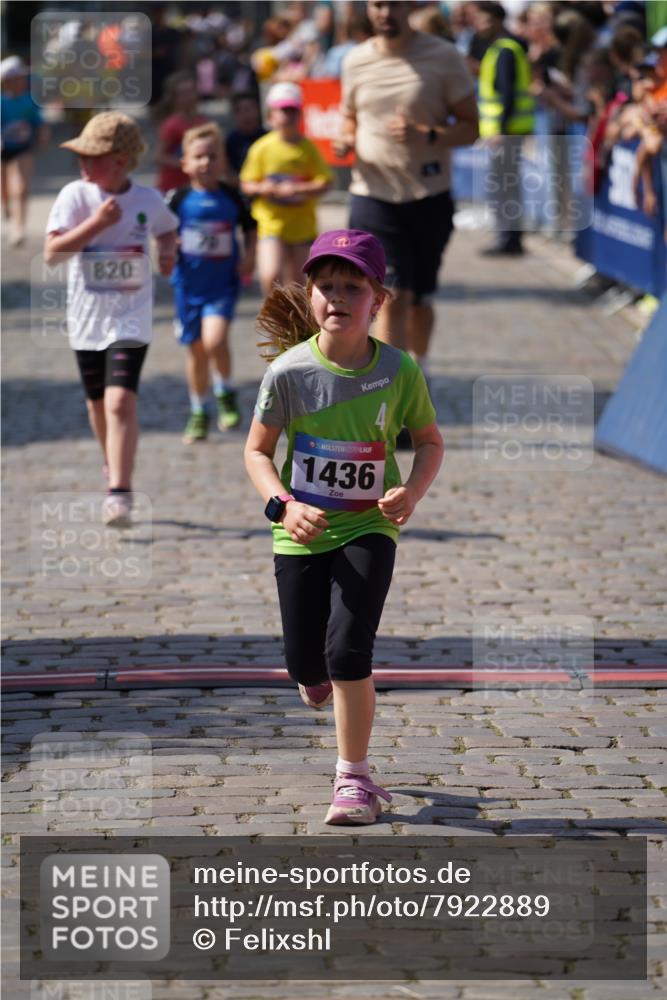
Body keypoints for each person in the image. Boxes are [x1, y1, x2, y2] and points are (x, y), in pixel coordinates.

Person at [244, 229, 444, 825]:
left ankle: (353, 779)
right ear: (310, 296)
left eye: (352, 287)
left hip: (367, 529)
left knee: (347, 650)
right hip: (300, 530)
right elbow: (257, 452)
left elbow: (430, 442)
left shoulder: (400, 370)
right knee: (306, 661)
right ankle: (312, 679)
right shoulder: (288, 372)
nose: (337, 297)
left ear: (377, 300)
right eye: (325, 286)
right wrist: (283, 504)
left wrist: (411, 489)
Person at [44, 112, 179, 527]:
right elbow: (53, 254)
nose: (83, 164)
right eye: (81, 156)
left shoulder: (147, 200)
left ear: (121, 161)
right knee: (99, 405)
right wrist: (97, 224)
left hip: (130, 320)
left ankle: (119, 490)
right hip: (87, 319)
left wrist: (167, 252)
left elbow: (166, 228)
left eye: (93, 156)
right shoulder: (74, 196)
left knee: (121, 402)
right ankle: (112, 459)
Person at [334, 0, 478, 385]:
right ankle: (392, 392)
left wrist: (426, 134)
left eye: (394, 4)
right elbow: (349, 116)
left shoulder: (443, 56)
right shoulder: (355, 60)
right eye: (378, 5)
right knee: (392, 296)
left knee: (420, 300)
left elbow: (471, 128)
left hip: (427, 195)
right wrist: (345, 138)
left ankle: (421, 370)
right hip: (373, 194)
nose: (386, 13)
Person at [166, 123, 257, 443]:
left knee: (215, 341)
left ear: (222, 161)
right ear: (186, 163)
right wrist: (166, 250)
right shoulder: (177, 198)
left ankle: (226, 390)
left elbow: (250, 226)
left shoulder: (231, 196)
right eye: (198, 156)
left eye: (212, 156)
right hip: (188, 286)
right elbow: (163, 233)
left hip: (221, 285)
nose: (205, 162)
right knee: (196, 352)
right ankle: (199, 411)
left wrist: (250, 255)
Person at [240, 81, 332, 294]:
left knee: (298, 285)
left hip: (302, 226)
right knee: (270, 274)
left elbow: (324, 182)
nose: (288, 116)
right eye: (283, 110)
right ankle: (275, 319)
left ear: (300, 114)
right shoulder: (262, 147)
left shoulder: (308, 148)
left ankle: (295, 326)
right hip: (271, 223)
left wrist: (297, 189)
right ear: (271, 115)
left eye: (292, 110)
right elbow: (246, 184)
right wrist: (267, 188)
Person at [476, 0, 536, 255]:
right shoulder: (502, 48)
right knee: (506, 186)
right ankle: (509, 239)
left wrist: (500, 129)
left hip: (507, 132)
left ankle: (509, 241)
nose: (479, 25)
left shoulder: (505, 50)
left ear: (498, 20)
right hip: (509, 130)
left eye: (484, 19)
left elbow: (507, 93)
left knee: (505, 187)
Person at [1, 55, 49, 246]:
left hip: (23, 148)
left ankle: (18, 227)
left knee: (21, 187)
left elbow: (39, 122)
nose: (23, 81)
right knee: (4, 189)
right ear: (7, 81)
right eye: (19, 78)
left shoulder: (28, 101)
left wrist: (43, 134)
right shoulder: (1, 103)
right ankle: (6, 205)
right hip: (3, 149)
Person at [154, 72, 209, 193]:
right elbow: (159, 157)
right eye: (184, 93)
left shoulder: (203, 122)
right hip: (172, 187)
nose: (190, 97)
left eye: (192, 91)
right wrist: (186, 164)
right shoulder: (171, 124)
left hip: (196, 186)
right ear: (175, 98)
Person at [224, 91, 266, 178]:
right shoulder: (230, 141)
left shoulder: (268, 138)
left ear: (258, 110)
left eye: (248, 109)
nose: (245, 115)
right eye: (239, 110)